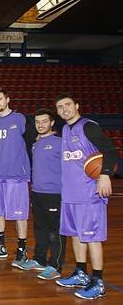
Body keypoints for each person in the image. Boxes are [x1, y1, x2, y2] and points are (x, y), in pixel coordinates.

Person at [54, 93, 116, 300]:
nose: (64, 109)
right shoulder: (64, 129)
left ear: (77, 106)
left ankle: (98, 282)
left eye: (67, 105)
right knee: (75, 234)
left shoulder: (89, 126)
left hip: (89, 194)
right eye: (60, 107)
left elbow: (109, 149)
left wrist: (105, 175)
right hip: (70, 194)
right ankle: (81, 273)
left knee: (92, 238)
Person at [0, 88, 31, 265]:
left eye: (0, 99)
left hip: (16, 176)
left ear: (8, 99)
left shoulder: (20, 119)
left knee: (19, 215)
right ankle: (0, 247)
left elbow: (32, 141)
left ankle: (22, 250)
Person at [19, 109, 66, 279]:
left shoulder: (61, 142)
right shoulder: (35, 143)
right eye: (38, 122)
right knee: (40, 228)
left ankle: (56, 265)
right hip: (37, 192)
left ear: (52, 123)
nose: (40, 125)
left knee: (55, 231)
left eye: (44, 121)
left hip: (54, 193)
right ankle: (40, 259)